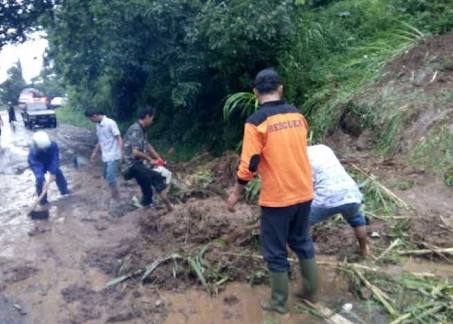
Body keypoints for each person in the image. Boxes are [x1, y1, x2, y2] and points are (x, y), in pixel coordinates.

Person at [227, 68, 318, 314]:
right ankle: (310, 290)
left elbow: (249, 165)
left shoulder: (256, 122)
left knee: (274, 251)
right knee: (302, 241)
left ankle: (278, 303)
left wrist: (236, 193)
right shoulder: (298, 116)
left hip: (278, 198)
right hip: (304, 191)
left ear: (255, 93)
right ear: (281, 89)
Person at [307, 144, 370, 257]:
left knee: (303, 224)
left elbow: (308, 185)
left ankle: (308, 255)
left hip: (326, 197)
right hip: (351, 192)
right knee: (357, 220)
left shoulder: (301, 157)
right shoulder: (323, 148)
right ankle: (364, 250)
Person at [122, 105, 173, 212]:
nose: (152, 121)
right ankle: (170, 207)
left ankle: (146, 207)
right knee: (156, 177)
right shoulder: (136, 129)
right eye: (152, 118)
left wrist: (158, 158)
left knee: (147, 188)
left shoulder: (142, 129)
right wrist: (151, 160)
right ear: (147, 116)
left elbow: (147, 145)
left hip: (137, 164)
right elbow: (136, 152)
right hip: (131, 165)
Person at [85, 108, 123, 199]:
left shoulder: (110, 123)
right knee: (106, 176)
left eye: (90, 119)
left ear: (94, 116)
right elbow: (100, 140)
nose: (91, 121)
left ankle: (116, 196)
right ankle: (115, 192)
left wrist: (121, 152)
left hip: (113, 154)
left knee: (110, 177)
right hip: (105, 155)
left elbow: (119, 138)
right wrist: (94, 152)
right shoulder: (98, 125)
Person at [28, 131, 70, 208]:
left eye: (46, 148)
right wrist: (42, 179)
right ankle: (43, 201)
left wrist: (53, 172)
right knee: (40, 180)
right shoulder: (33, 152)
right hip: (39, 162)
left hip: (49, 160)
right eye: (43, 149)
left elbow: (54, 159)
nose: (44, 150)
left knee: (58, 173)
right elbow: (36, 165)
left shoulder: (53, 145)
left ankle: (64, 192)